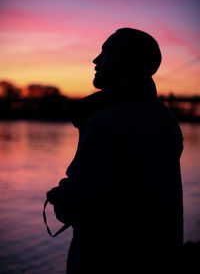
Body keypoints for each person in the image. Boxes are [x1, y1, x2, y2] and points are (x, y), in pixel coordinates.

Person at [46, 28, 183, 273]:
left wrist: (61, 198)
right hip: (158, 258)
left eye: (106, 53)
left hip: (107, 262)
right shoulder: (166, 118)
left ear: (129, 63)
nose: (95, 60)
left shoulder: (105, 122)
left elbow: (77, 207)